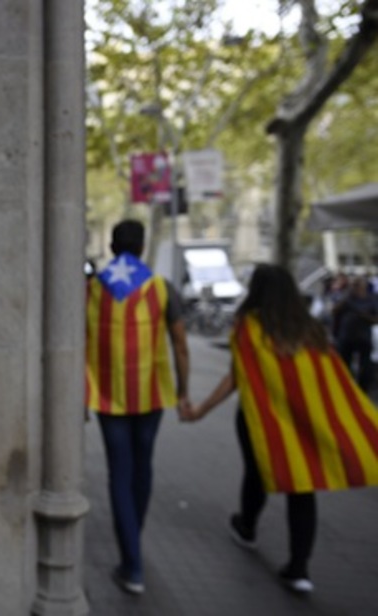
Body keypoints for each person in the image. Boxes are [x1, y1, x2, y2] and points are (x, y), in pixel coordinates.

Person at [185, 264, 378, 594]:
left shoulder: (249, 327)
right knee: (302, 486)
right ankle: (299, 569)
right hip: (304, 418)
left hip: (260, 419)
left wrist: (200, 410)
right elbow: (329, 377)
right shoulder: (309, 328)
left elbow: (236, 376)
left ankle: (247, 527)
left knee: (256, 472)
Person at [86, 219, 191, 595]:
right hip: (151, 395)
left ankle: (132, 564)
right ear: (143, 247)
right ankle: (133, 544)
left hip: (108, 397)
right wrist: (183, 391)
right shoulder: (161, 287)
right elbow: (180, 344)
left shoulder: (91, 289)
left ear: (112, 247)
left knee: (120, 472)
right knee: (142, 467)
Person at [332, 275, 378, 392]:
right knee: (344, 366)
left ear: (364, 286)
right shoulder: (346, 298)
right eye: (354, 284)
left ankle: (362, 389)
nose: (356, 287)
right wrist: (346, 298)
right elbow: (334, 311)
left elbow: (376, 319)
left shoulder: (372, 299)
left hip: (363, 337)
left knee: (365, 368)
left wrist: (363, 315)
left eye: (358, 284)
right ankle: (345, 389)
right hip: (346, 337)